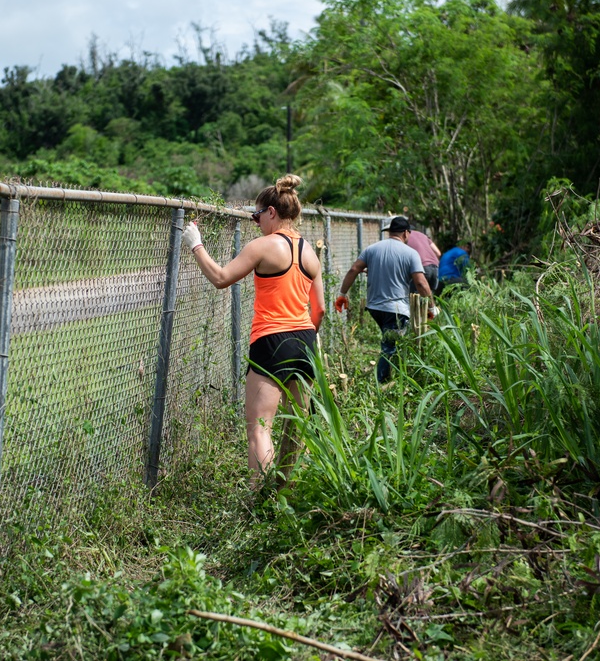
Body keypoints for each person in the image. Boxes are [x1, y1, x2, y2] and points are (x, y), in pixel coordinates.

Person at [181, 174, 325, 487]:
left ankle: (261, 499)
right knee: (296, 427)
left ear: (272, 212)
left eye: (256, 216)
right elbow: (320, 309)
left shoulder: (262, 246)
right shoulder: (311, 253)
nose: (255, 222)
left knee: (260, 428)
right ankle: (284, 493)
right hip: (306, 341)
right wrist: (309, 338)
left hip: (272, 341)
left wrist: (196, 244)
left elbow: (221, 278)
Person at [334, 216, 434, 384]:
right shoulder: (410, 253)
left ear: (390, 232)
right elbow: (421, 283)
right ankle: (381, 385)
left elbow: (354, 269)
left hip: (374, 307)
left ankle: (393, 378)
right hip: (395, 309)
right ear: (406, 233)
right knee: (390, 347)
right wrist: (431, 307)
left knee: (394, 343)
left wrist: (342, 294)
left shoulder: (372, 249)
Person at [405, 225, 442, 291]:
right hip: (435, 268)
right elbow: (438, 253)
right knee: (430, 296)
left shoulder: (405, 236)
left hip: (422, 268)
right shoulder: (423, 235)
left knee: (414, 295)